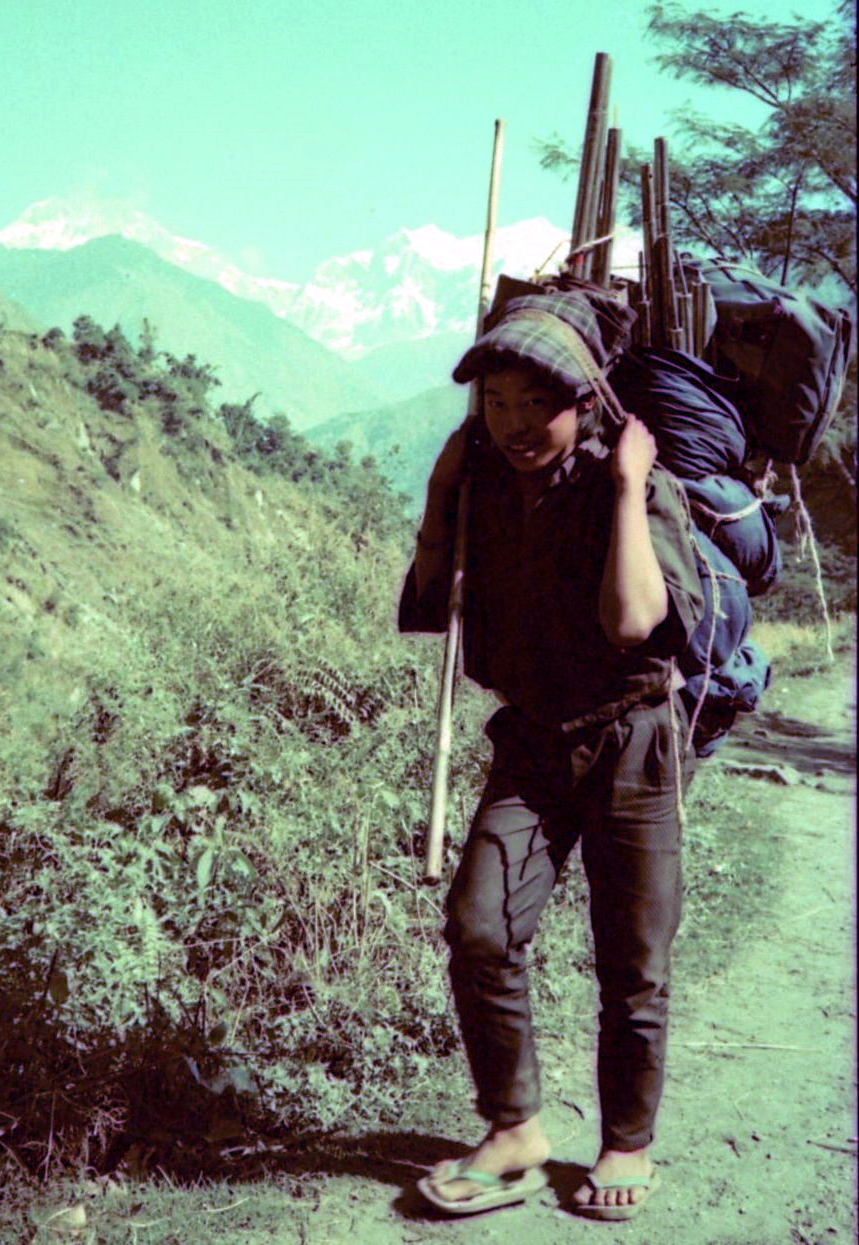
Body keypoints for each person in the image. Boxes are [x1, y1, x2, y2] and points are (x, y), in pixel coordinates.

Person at [399, 291, 704, 1221]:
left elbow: (631, 620)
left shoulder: (634, 481)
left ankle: (627, 1139)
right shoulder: (484, 481)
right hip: (532, 739)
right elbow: (427, 606)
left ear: (587, 400)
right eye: (496, 402)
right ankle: (516, 1128)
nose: (516, 423)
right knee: (480, 924)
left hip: (631, 739)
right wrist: (443, 488)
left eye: (538, 402)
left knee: (632, 957)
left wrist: (623, 487)